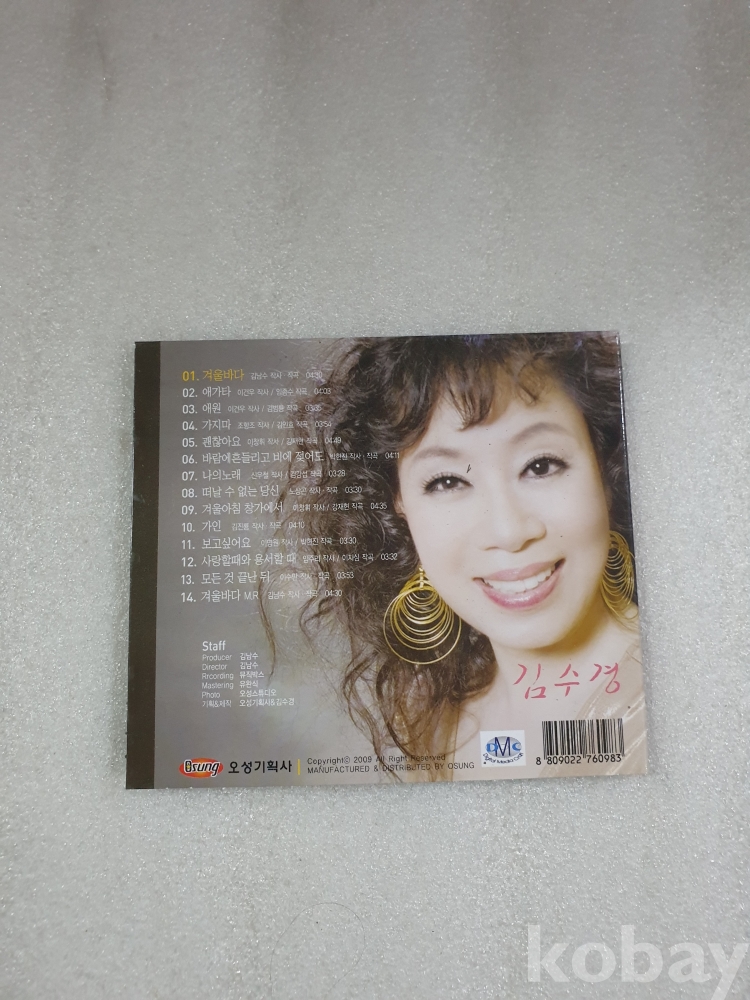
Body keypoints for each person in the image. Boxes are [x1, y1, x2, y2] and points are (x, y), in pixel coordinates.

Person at [266, 333, 645, 779]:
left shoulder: (678, 701)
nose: (508, 532)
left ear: (605, 469)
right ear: (397, 504)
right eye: (447, 481)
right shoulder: (433, 718)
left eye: (541, 465)